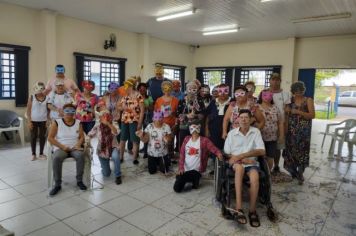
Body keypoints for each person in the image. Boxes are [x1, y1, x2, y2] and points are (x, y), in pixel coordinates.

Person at [224, 109, 265, 227]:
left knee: (254, 177)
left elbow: (262, 151)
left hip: (251, 163)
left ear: (251, 119)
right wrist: (241, 159)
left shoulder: (255, 132)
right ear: (237, 119)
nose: (243, 119)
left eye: (246, 117)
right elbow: (227, 153)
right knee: (240, 169)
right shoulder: (232, 133)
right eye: (241, 117)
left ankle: (252, 210)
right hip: (237, 163)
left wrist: (244, 156)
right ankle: (239, 208)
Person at [47, 103, 87, 196]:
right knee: (57, 158)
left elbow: (82, 137)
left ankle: (79, 181)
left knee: (80, 156)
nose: (69, 113)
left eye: (72, 111)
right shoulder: (57, 122)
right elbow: (50, 138)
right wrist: (62, 147)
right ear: (63, 112)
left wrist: (78, 144)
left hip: (74, 147)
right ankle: (57, 184)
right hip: (61, 147)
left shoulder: (78, 122)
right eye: (67, 111)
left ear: (74, 112)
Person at [174, 120, 222, 193]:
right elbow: (182, 154)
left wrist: (219, 154)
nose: (194, 131)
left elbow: (213, 148)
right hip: (186, 169)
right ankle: (193, 181)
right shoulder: (186, 139)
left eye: (196, 128)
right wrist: (181, 167)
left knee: (177, 187)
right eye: (192, 128)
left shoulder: (204, 140)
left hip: (196, 170)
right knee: (178, 180)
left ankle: (195, 178)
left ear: (199, 129)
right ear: (189, 129)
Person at [283, 81, 315, 185]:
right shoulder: (290, 101)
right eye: (296, 92)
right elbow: (286, 115)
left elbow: (312, 115)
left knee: (302, 152)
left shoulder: (308, 100)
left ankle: (300, 173)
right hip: (291, 131)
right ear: (293, 92)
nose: (298, 93)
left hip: (304, 132)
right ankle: (294, 173)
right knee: (291, 151)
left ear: (303, 90)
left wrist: (298, 112)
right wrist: (285, 128)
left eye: (300, 91)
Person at [88, 110, 122, 185]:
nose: (106, 118)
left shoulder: (114, 124)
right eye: (103, 116)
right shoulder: (97, 125)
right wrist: (85, 140)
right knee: (106, 174)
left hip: (113, 147)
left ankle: (118, 175)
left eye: (107, 116)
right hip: (102, 150)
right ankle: (106, 168)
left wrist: (108, 124)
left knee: (116, 157)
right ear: (100, 118)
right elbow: (90, 134)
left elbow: (116, 132)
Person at [205, 84, 231, 174]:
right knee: (214, 148)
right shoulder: (213, 102)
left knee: (227, 148)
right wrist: (207, 129)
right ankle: (216, 167)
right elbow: (207, 116)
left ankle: (226, 168)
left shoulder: (232, 102)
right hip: (214, 129)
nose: (223, 94)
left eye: (225, 91)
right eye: (220, 91)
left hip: (228, 129)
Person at [118, 77, 144, 164]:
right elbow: (118, 107)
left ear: (130, 86)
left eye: (126, 86)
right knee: (122, 139)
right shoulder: (125, 97)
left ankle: (134, 158)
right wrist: (123, 107)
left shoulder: (138, 96)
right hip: (125, 120)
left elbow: (142, 110)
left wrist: (140, 122)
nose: (124, 88)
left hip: (135, 121)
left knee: (135, 140)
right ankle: (121, 157)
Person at [136, 110, 172, 175]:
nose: (158, 120)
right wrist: (141, 136)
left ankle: (163, 162)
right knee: (152, 171)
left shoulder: (166, 127)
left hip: (163, 153)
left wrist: (167, 140)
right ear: (153, 118)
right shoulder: (149, 126)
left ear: (163, 118)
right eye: (156, 117)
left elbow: (169, 140)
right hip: (151, 153)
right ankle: (157, 163)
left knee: (164, 170)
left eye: (160, 117)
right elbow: (145, 140)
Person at [268, 73, 291, 175]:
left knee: (278, 146)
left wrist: (286, 125)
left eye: (277, 80)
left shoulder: (285, 94)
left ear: (280, 81)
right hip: (267, 124)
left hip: (280, 124)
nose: (275, 81)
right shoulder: (265, 92)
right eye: (273, 79)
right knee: (266, 145)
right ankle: (266, 166)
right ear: (270, 80)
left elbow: (287, 111)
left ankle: (276, 166)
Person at [257, 90, 284, 171]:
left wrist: (281, 135)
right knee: (259, 157)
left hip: (272, 138)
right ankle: (259, 174)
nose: (267, 97)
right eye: (265, 95)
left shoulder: (275, 107)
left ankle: (268, 174)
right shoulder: (256, 107)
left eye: (269, 95)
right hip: (258, 137)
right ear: (261, 96)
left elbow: (280, 123)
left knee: (270, 156)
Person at [177, 81, 205, 150]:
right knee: (184, 144)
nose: (191, 91)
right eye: (189, 89)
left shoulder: (200, 101)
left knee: (196, 144)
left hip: (196, 126)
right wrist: (186, 115)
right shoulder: (182, 101)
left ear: (197, 90)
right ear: (186, 90)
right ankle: (183, 159)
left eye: (194, 89)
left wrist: (195, 116)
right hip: (184, 126)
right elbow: (178, 114)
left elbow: (203, 114)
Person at [154, 81, 179, 160]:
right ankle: (162, 155)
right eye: (165, 88)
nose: (167, 90)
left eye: (169, 88)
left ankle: (170, 156)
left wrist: (173, 114)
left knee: (170, 140)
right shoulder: (158, 100)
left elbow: (178, 113)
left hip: (172, 123)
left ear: (171, 89)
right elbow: (155, 112)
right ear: (162, 89)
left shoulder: (176, 100)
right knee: (161, 140)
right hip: (161, 124)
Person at [26, 82, 50, 161]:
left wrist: (48, 120)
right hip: (33, 120)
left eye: (41, 88)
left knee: (42, 136)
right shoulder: (32, 97)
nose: (40, 90)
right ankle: (33, 154)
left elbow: (48, 110)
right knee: (33, 136)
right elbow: (28, 110)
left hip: (43, 120)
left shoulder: (47, 98)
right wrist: (29, 121)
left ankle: (41, 153)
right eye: (38, 88)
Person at [137, 83, 154, 158]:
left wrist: (145, 105)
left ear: (146, 90)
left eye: (144, 89)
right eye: (140, 89)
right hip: (137, 117)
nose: (142, 90)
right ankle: (136, 150)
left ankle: (146, 150)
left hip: (147, 117)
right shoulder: (136, 97)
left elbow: (152, 108)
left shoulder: (149, 98)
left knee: (146, 133)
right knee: (139, 133)